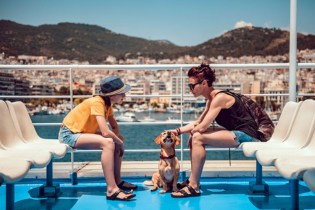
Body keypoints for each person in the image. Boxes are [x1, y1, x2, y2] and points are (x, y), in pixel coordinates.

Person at [167, 63, 260, 198]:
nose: (190, 89)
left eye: (192, 86)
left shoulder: (219, 98)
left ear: (204, 83)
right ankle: (194, 180)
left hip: (247, 134)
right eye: (189, 86)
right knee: (197, 135)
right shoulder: (211, 100)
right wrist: (178, 131)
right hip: (238, 132)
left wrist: (193, 134)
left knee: (198, 137)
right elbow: (199, 123)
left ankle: (193, 186)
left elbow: (202, 127)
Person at [58, 76, 136, 201]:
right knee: (109, 142)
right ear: (111, 95)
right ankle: (111, 190)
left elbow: (115, 128)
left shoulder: (107, 104)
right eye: (122, 93)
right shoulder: (98, 102)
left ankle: (117, 181)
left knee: (116, 139)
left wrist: (119, 141)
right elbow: (105, 132)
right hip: (69, 134)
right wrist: (119, 143)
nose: (124, 96)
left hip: (81, 133)